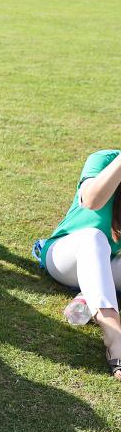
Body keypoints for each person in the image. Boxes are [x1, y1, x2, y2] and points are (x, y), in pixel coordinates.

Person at [36, 150, 121, 380]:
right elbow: (92, 201)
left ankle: (89, 293)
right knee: (93, 237)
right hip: (66, 255)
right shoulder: (104, 159)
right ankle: (114, 337)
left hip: (109, 263)